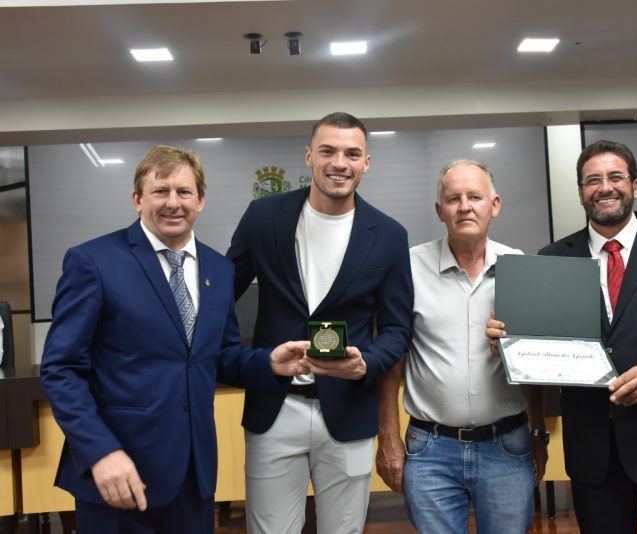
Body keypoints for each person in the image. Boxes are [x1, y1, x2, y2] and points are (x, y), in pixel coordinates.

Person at [40, 145, 309, 534]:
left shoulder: (219, 268)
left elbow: (220, 355)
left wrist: (268, 363)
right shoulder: (93, 262)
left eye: (184, 192)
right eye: (160, 191)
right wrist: (100, 452)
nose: (173, 203)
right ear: (137, 199)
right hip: (118, 475)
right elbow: (61, 369)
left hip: (192, 477)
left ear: (201, 200)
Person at [487, 140, 637, 533]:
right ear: (582, 191)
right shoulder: (551, 259)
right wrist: (509, 341)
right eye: (593, 180)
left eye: (616, 177)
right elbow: (541, 349)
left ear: (635, 186)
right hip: (593, 452)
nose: (605, 187)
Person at [226, 112, 413, 533]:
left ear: (367, 162)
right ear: (310, 156)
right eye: (327, 151)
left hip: (348, 408)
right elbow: (222, 293)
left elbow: (398, 328)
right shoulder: (263, 217)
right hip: (275, 406)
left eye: (352, 153)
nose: (339, 163)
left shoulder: (388, 235)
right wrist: (236, 356)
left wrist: (367, 363)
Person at [376, 159, 548, 534]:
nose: (465, 206)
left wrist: (538, 431)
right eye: (453, 199)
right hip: (430, 450)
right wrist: (387, 436)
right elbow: (391, 360)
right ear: (440, 211)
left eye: (475, 196)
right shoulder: (408, 268)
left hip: (508, 445)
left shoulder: (521, 268)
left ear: (495, 205)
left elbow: (535, 366)